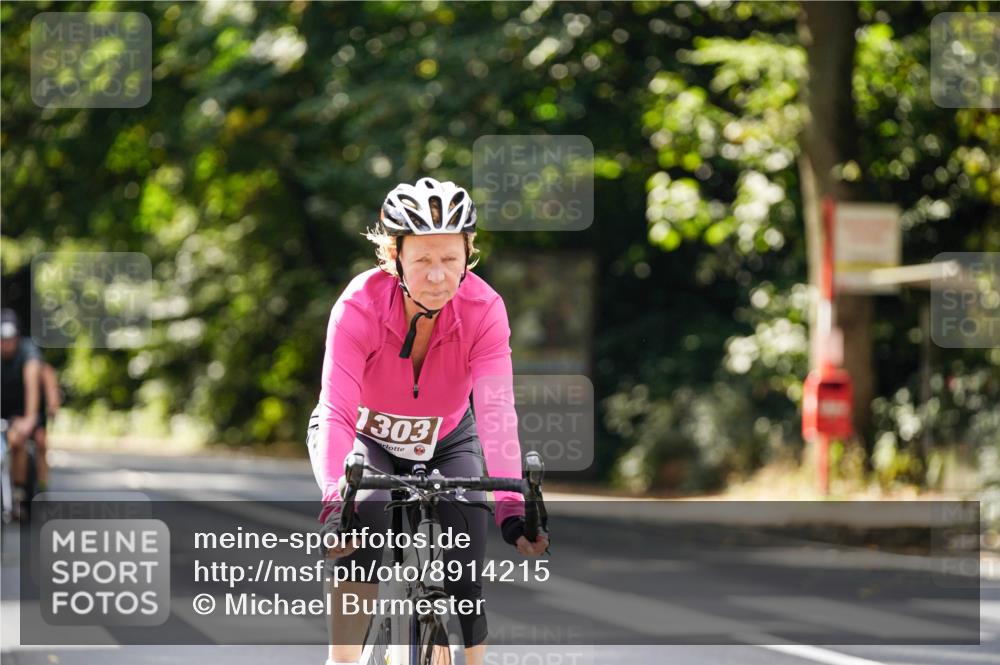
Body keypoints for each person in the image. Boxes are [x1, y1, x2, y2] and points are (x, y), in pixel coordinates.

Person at [306, 177, 549, 665]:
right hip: (365, 436)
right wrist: (338, 500)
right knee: (364, 517)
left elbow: (497, 411)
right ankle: (343, 659)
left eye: (450, 259)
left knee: (465, 562)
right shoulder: (358, 307)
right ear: (393, 257)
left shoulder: (484, 310)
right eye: (422, 261)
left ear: (468, 254)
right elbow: (335, 409)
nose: (438, 276)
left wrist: (511, 506)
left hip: (447, 438)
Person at [0, 308, 55, 505]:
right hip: (4, 406)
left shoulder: (28, 352)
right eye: (1, 338)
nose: (6, 344)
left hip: (27, 408)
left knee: (32, 441)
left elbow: (35, 381)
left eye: (9, 338)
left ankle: (33, 490)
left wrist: (30, 418)